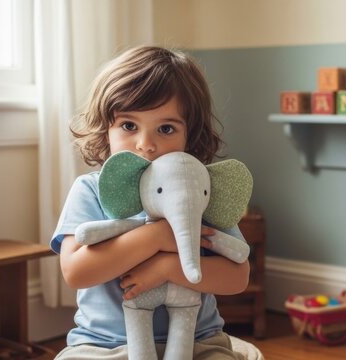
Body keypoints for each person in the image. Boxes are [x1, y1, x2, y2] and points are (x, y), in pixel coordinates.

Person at [51, 46, 251, 360]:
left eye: (166, 128)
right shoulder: (90, 189)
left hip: (199, 343)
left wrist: (166, 268)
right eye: (129, 126)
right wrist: (156, 237)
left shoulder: (200, 191)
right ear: (107, 128)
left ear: (190, 134)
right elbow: (77, 272)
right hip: (104, 346)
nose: (146, 144)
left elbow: (237, 277)